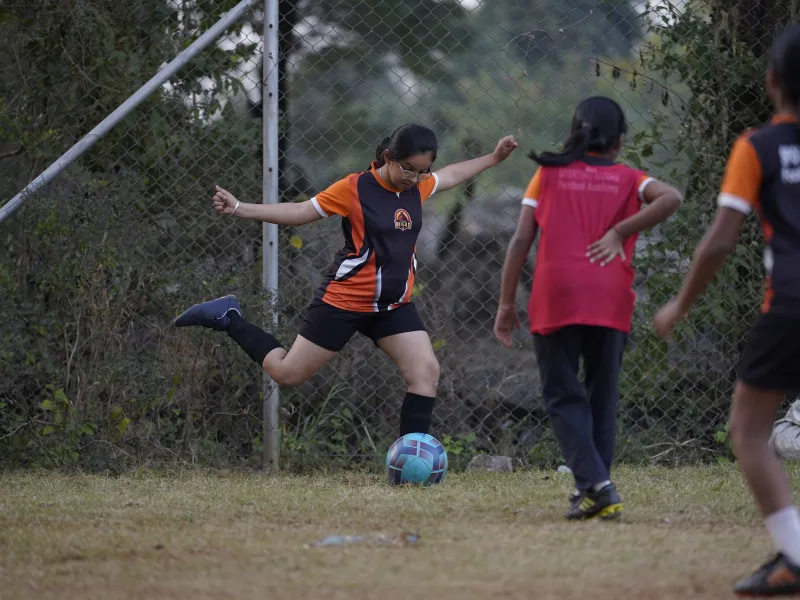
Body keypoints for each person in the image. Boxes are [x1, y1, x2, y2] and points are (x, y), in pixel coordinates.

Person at [174, 124, 518, 439]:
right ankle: (228, 317)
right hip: (344, 301)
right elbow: (299, 213)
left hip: (391, 307)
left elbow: (453, 173)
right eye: (407, 168)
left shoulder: (419, 186)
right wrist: (239, 208)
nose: (414, 177)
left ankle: (411, 463)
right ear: (388, 157)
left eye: (422, 171)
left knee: (425, 372)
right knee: (287, 374)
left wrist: (494, 158)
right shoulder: (355, 188)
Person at [653, 25, 800, 596]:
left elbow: (718, 242)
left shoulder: (757, 146)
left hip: (787, 306)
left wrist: (680, 303)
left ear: (770, 82)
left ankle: (794, 551)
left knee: (749, 430)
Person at [493, 96, 682, 520]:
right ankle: (596, 487)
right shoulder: (630, 178)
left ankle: (597, 486)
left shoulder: (548, 174)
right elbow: (671, 197)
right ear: (618, 143)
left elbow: (521, 241)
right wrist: (621, 230)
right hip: (609, 296)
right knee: (602, 395)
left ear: (574, 133)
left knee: (562, 395)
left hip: (555, 294)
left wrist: (506, 304)